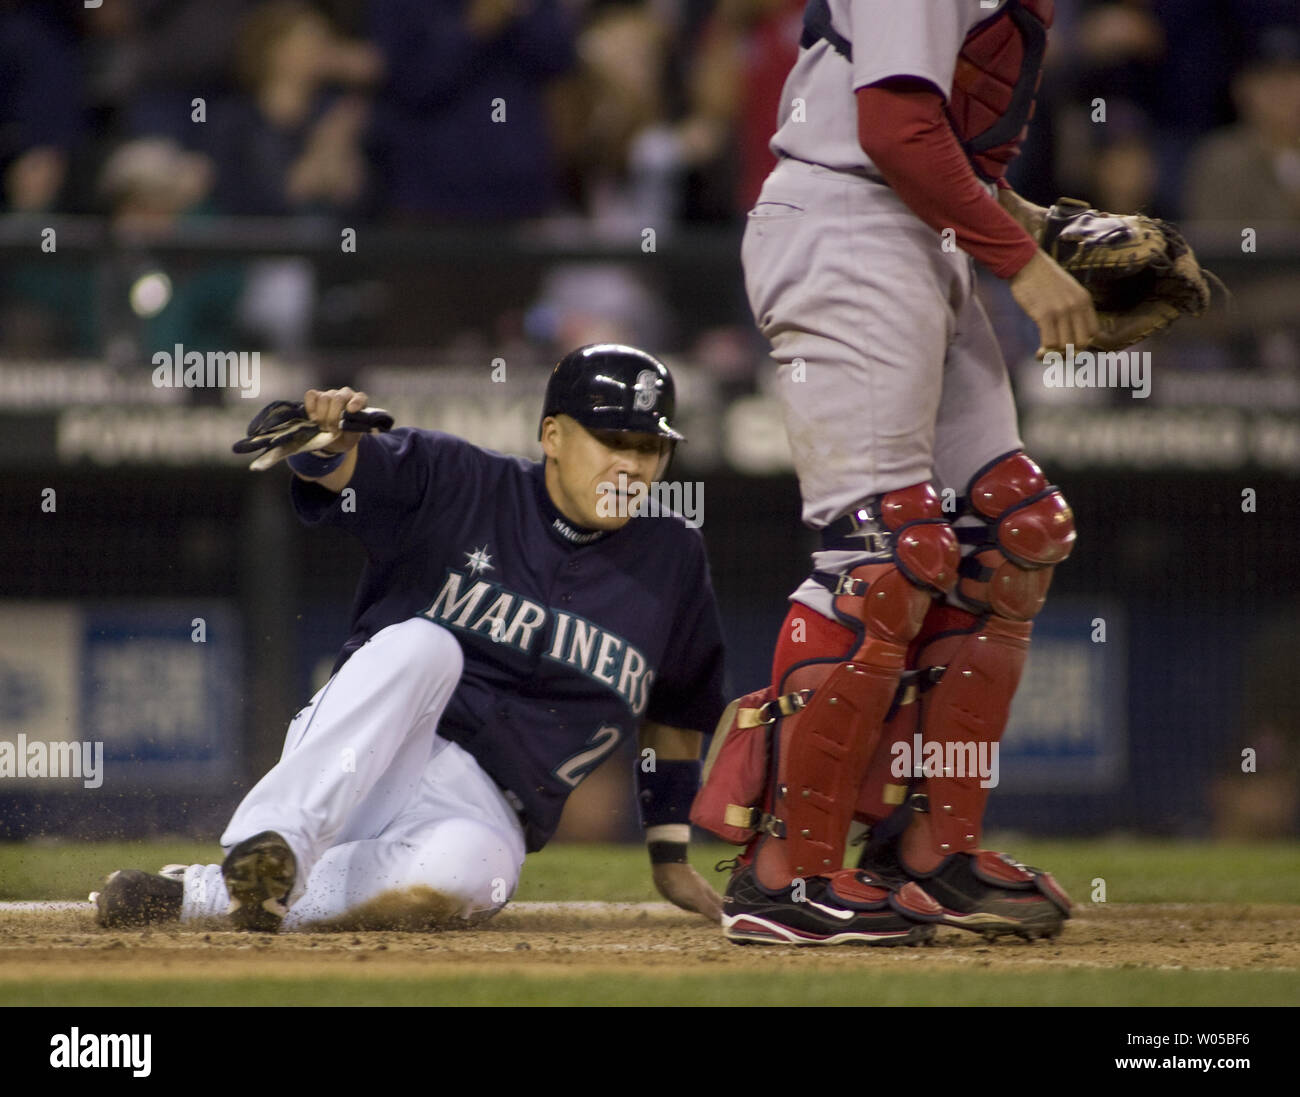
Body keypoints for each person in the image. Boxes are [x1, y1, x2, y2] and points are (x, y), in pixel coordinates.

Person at [94, 344, 727, 931]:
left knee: (456, 881)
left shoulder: (673, 558)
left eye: (649, 447)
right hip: (373, 755)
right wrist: (323, 443)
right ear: (553, 434)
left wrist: (669, 857)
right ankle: (273, 839)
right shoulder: (461, 480)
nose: (631, 463)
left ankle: (200, 896)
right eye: (612, 439)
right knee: (429, 645)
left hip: (490, 811)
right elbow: (345, 465)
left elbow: (675, 712)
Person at [718, 0, 1090, 946]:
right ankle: (784, 876)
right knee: (886, 555)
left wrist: (1042, 232)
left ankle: (932, 846)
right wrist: (1025, 266)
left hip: (919, 228)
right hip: (846, 222)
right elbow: (892, 127)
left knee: (1014, 530)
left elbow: (945, 143)